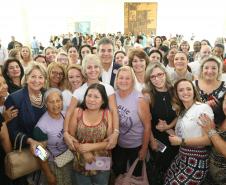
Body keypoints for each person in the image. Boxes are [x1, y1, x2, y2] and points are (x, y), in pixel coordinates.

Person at [64, 54, 119, 153]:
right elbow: (69, 113)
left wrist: (116, 132)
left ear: (100, 68)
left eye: (96, 66)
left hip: (103, 138)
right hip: (83, 138)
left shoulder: (108, 88)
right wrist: (65, 132)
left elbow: (114, 111)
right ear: (84, 70)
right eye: (89, 67)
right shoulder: (78, 92)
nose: (93, 70)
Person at [164, 79, 214, 185]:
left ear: (194, 91)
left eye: (188, 89)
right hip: (182, 156)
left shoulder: (202, 108)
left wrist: (181, 141)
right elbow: (181, 135)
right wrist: (166, 128)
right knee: (167, 178)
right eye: (181, 90)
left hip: (197, 160)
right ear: (177, 94)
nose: (185, 92)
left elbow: (209, 140)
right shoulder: (182, 111)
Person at [5, 62, 47, 185]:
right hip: (30, 149)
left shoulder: (47, 95)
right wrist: (31, 141)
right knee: (36, 179)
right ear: (27, 77)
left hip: (49, 147)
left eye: (40, 77)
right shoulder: (15, 98)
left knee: (50, 175)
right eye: (33, 76)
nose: (36, 80)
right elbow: (12, 131)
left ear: (44, 80)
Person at [69, 83, 113, 185]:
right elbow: (71, 138)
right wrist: (84, 152)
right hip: (81, 161)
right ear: (85, 97)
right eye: (89, 96)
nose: (91, 99)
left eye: (96, 97)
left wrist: (90, 147)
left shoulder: (107, 114)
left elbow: (110, 142)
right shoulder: (77, 112)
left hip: (101, 162)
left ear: (103, 101)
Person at [143, 63, 178, 185]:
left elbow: (180, 113)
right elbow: (146, 122)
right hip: (157, 140)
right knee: (159, 171)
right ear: (149, 79)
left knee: (174, 170)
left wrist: (168, 127)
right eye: (153, 77)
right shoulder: (147, 95)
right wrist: (152, 141)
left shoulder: (174, 91)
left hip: (175, 137)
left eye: (160, 74)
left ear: (165, 74)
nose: (157, 79)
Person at [112, 66, 151, 177]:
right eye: (121, 78)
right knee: (119, 174)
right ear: (117, 79)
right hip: (118, 145)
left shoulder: (140, 99)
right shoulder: (112, 96)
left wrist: (144, 148)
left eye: (127, 78)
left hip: (136, 145)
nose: (123, 81)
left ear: (132, 80)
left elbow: (147, 126)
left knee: (135, 176)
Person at [33, 88, 72, 185]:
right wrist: (48, 174)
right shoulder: (41, 126)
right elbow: (40, 153)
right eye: (51, 102)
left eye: (58, 101)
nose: (56, 105)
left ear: (62, 101)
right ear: (46, 104)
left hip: (69, 158)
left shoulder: (65, 115)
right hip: (54, 165)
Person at [198, 92, 226, 185]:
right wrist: (205, 106)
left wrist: (211, 131)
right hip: (209, 172)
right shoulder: (221, 115)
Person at [194, 56, 226, 125]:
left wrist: (219, 107)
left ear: (218, 70)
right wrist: (204, 106)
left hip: (220, 129)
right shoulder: (192, 85)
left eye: (214, 68)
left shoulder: (225, 86)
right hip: (196, 127)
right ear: (202, 70)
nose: (210, 71)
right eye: (206, 68)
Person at [0, 76, 18, 185]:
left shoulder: (12, 99)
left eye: (4, 83)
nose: (4, 87)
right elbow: (4, 138)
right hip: (11, 154)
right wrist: (4, 120)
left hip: (27, 144)